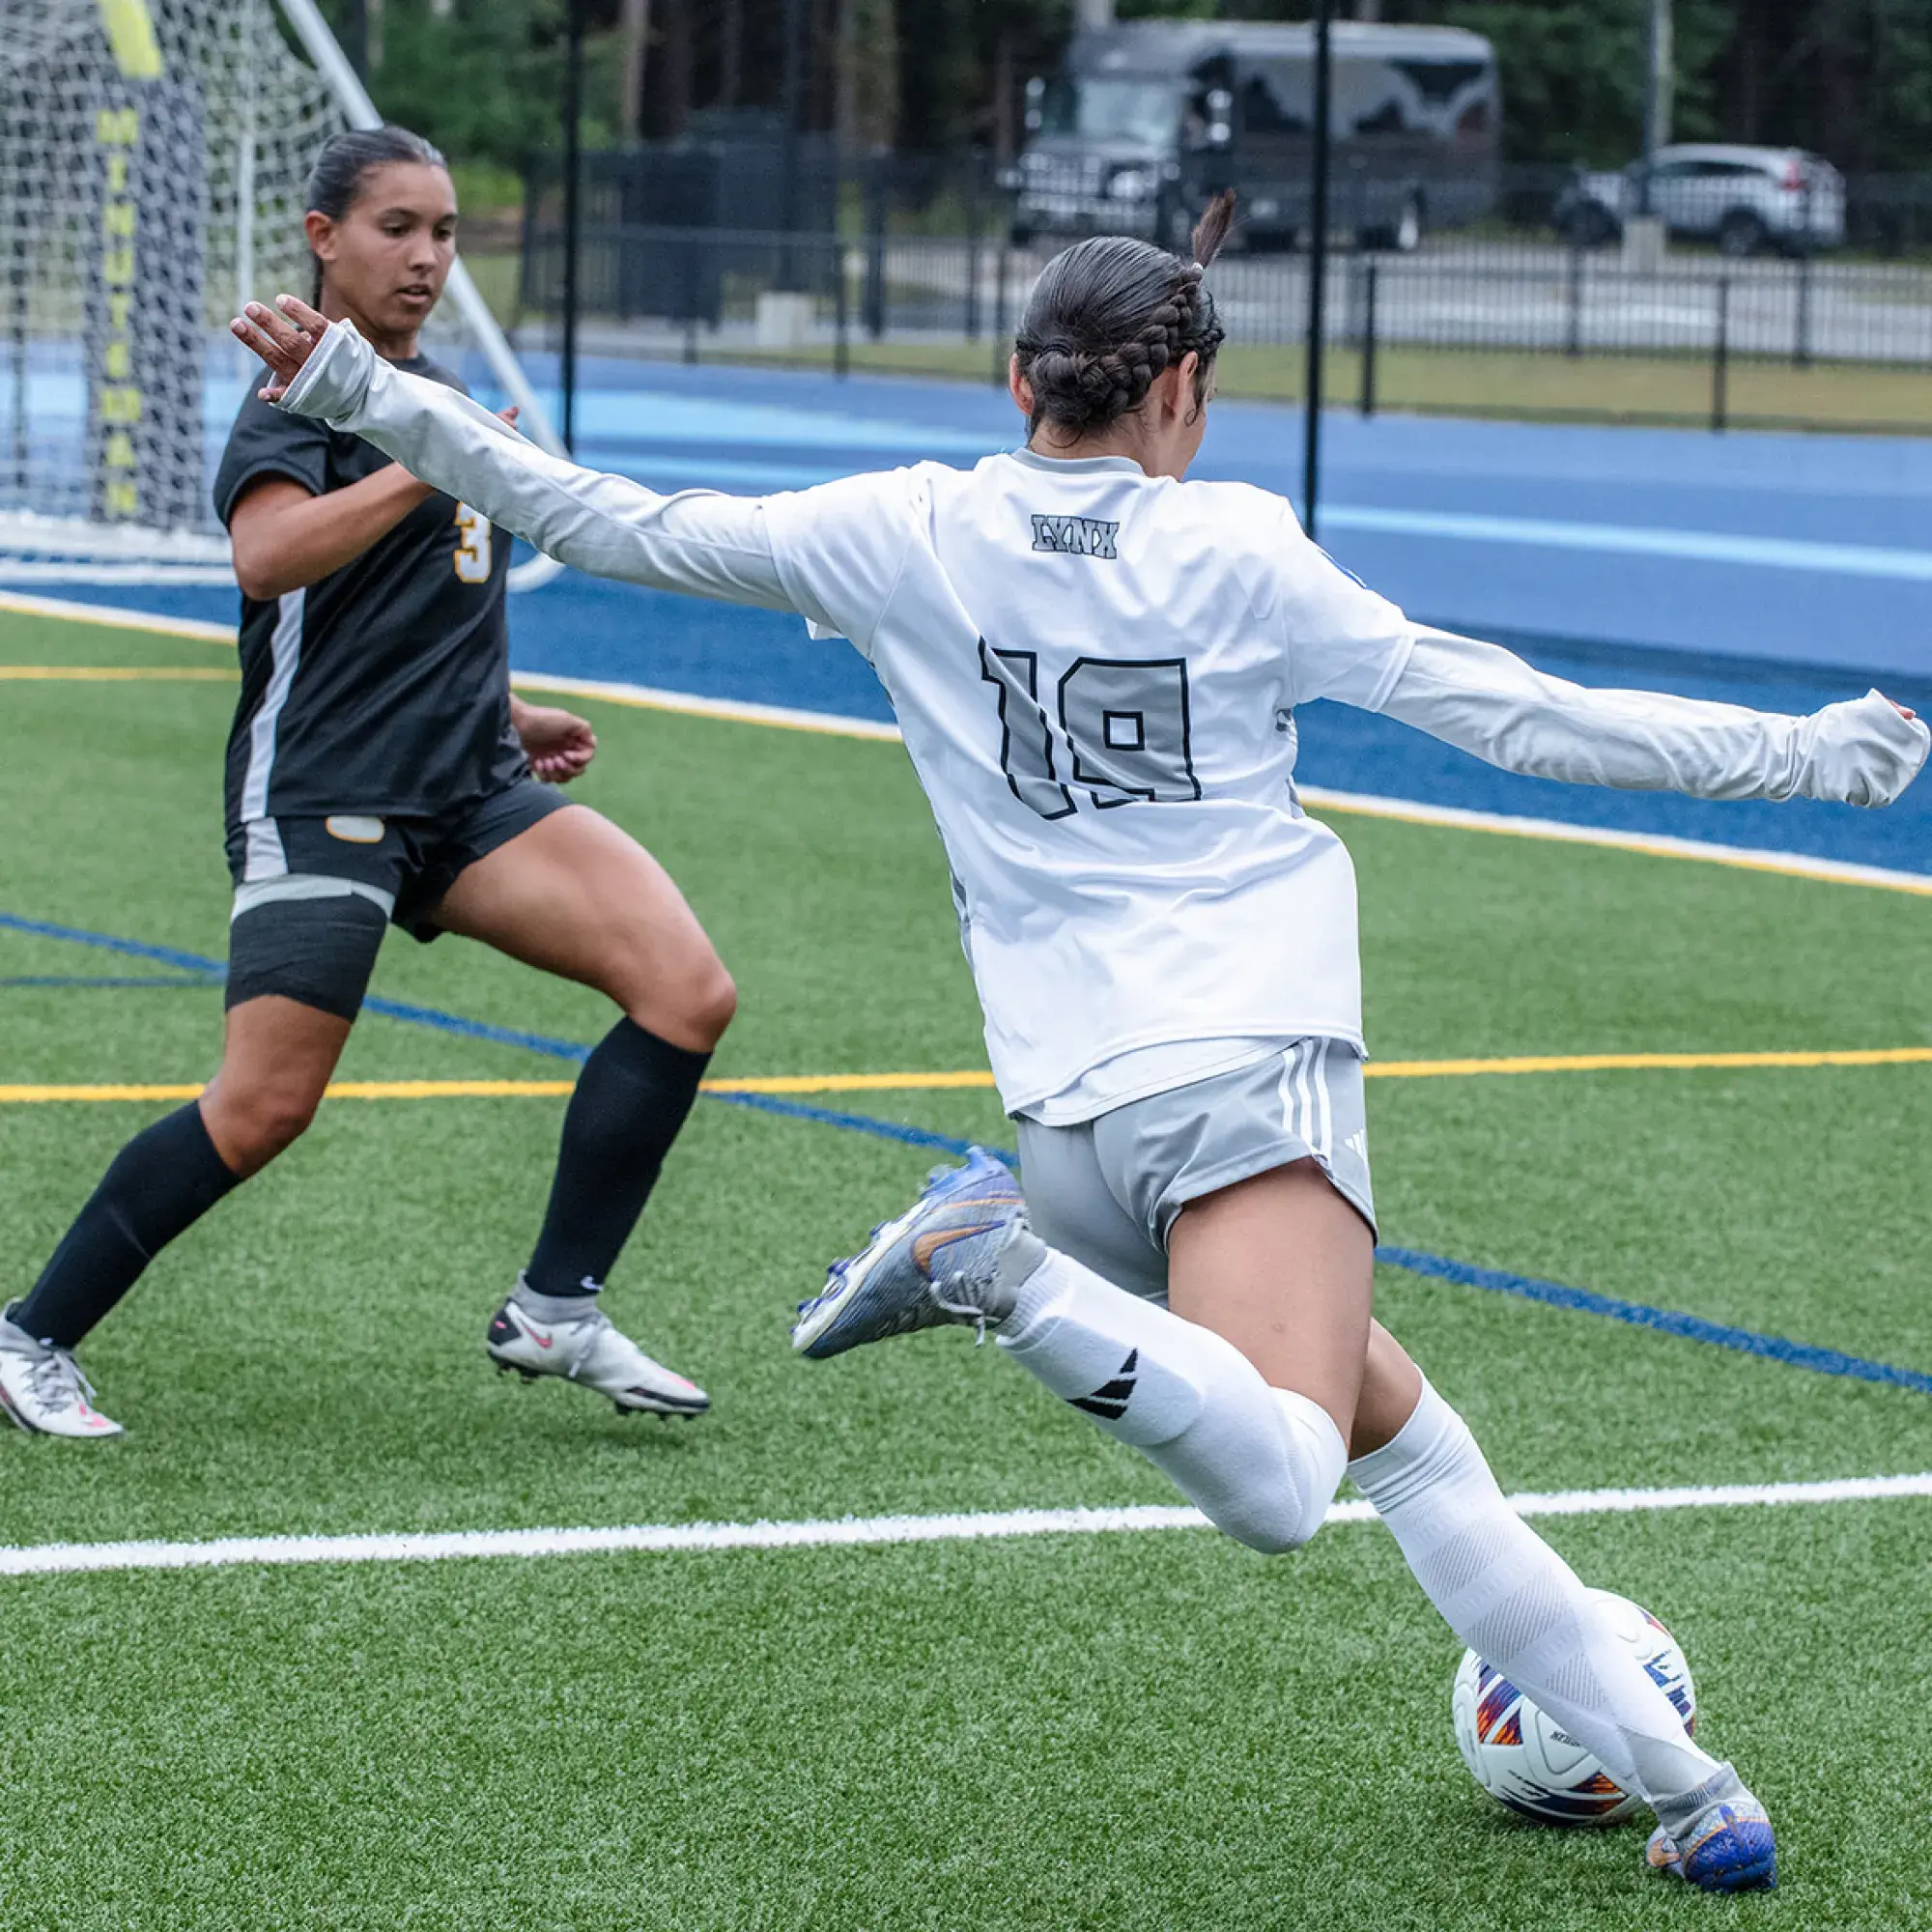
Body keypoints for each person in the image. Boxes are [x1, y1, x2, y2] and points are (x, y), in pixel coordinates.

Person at [227, 192, 1926, 1893]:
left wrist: (374, 396)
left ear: (1017, 379)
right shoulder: (1241, 550)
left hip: (1072, 1111)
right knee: (1279, 1487)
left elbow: (591, 517)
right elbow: (1529, 720)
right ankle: (999, 1274)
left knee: (1407, 1446)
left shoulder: (908, 527)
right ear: (1177, 391)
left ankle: (1696, 1794)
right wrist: (1804, 759)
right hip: (1240, 1075)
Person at [0, 127, 733, 1441]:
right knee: (266, 1104)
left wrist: (508, 708)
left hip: (469, 789)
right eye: (397, 226)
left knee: (686, 993)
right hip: (325, 788)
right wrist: (423, 461)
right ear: (322, 238)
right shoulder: (304, 393)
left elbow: (418, 602)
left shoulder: (437, 390)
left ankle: (556, 1307)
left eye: (445, 231)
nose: (427, 255)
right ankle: (29, 1335)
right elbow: (268, 559)